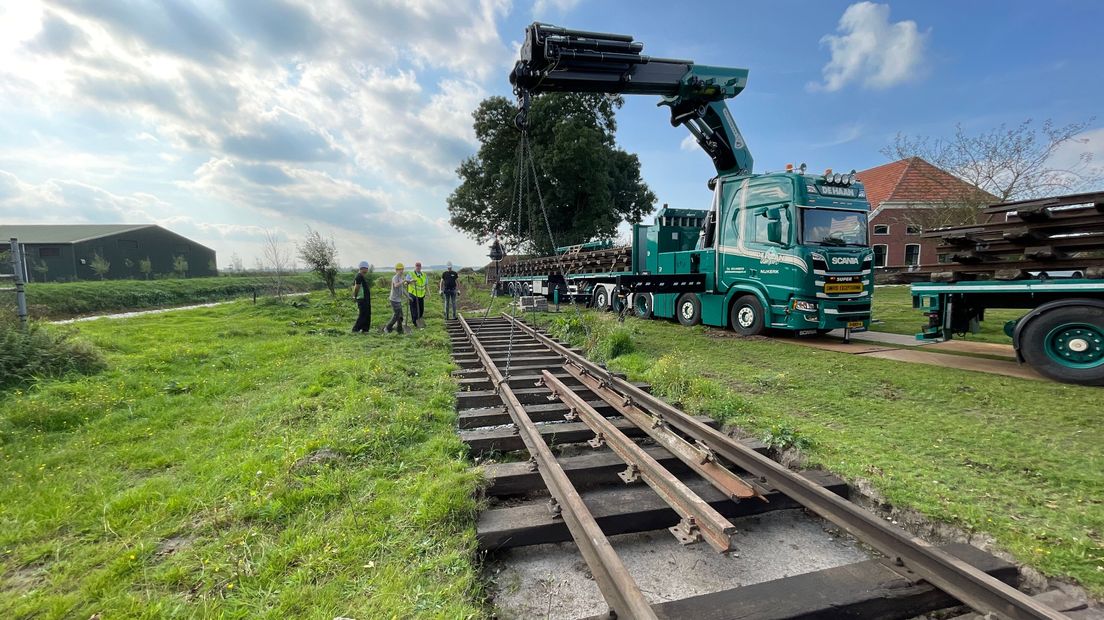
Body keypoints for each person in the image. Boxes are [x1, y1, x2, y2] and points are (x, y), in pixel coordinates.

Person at [383, 263, 407, 335]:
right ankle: (387, 328)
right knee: (397, 315)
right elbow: (396, 285)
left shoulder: (400, 278)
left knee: (400, 315)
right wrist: (403, 281)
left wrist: (408, 297)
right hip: (394, 299)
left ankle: (399, 330)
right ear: (396, 270)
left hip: (398, 300)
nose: (401, 271)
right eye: (400, 269)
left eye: (402, 269)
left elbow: (402, 289)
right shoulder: (395, 277)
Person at [351, 261, 372, 333]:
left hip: (365, 299)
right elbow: (357, 287)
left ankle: (365, 329)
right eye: (366, 268)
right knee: (363, 314)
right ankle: (355, 329)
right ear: (362, 268)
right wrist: (354, 296)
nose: (367, 270)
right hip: (362, 299)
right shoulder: (359, 276)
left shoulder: (362, 276)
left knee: (367, 314)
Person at [407, 261, 427, 327]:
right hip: (412, 294)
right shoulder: (410, 274)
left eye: (419, 266)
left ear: (421, 267)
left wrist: (428, 293)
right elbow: (405, 283)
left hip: (421, 295)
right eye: (417, 266)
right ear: (415, 267)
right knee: (414, 309)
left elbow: (426, 284)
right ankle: (415, 322)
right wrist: (411, 281)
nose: (418, 267)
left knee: (421, 309)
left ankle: (419, 321)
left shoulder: (423, 275)